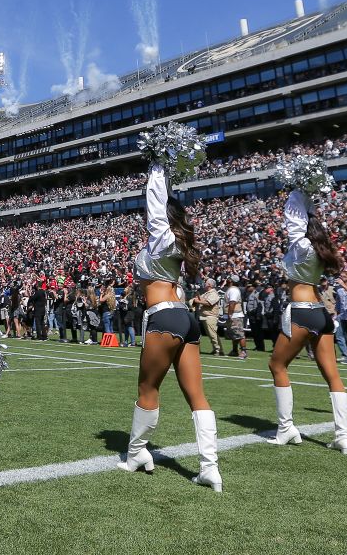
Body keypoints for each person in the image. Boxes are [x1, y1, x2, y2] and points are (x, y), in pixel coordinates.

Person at [116, 162, 222, 491]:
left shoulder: (162, 238)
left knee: (148, 390)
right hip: (183, 318)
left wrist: (158, 166)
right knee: (197, 395)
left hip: (163, 317)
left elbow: (154, 199)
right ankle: (210, 467)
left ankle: (136, 454)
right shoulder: (175, 244)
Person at [265, 190, 347, 454]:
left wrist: (296, 191)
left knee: (277, 365)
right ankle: (343, 435)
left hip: (301, 311)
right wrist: (307, 199)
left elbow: (293, 220)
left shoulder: (301, 245)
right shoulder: (320, 248)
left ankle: (286, 428)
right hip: (320, 312)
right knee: (332, 375)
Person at [194, 279, 223, 355]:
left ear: (209, 285)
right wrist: (197, 294)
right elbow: (200, 298)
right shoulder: (207, 293)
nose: (204, 284)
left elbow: (209, 303)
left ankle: (218, 350)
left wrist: (198, 301)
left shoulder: (214, 293)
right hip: (204, 315)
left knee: (212, 334)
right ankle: (216, 349)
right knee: (211, 334)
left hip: (210, 316)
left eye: (206, 283)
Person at [224, 276, 247, 359]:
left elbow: (232, 303)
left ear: (231, 281)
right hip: (233, 314)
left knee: (239, 334)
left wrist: (230, 314)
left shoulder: (233, 290)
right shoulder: (232, 289)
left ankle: (243, 351)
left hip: (235, 315)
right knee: (234, 334)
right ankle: (234, 350)